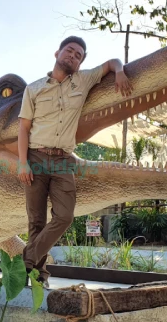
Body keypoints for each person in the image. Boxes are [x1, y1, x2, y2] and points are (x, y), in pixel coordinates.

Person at [17, 36, 132, 284]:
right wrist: (22, 162)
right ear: (57, 52)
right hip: (35, 156)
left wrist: (120, 71)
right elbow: (23, 128)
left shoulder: (84, 79)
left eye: (78, 55)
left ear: (81, 63)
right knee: (36, 221)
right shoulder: (34, 88)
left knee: (65, 217)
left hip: (62, 160)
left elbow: (112, 62)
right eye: (69, 51)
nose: (73, 56)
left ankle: (24, 262)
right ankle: (39, 276)